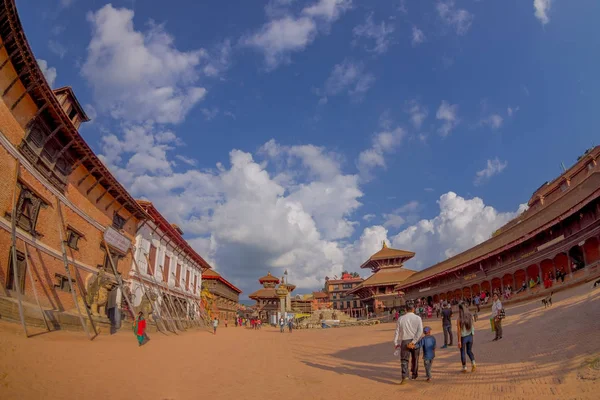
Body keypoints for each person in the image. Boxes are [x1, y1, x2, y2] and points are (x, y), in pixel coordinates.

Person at [393, 300, 423, 384]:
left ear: (406, 309)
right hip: (415, 341)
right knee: (415, 359)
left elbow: (397, 332)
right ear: (413, 308)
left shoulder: (400, 318)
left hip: (404, 341)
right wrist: (413, 341)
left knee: (404, 360)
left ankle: (405, 376)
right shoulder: (418, 318)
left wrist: (396, 343)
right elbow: (420, 331)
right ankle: (414, 374)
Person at [457, 303, 476, 373]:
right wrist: (472, 334)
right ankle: (473, 363)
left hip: (463, 337)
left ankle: (464, 367)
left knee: (462, 352)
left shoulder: (459, 319)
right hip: (470, 336)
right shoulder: (470, 316)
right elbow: (472, 326)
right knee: (469, 351)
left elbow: (458, 331)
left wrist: (459, 341)